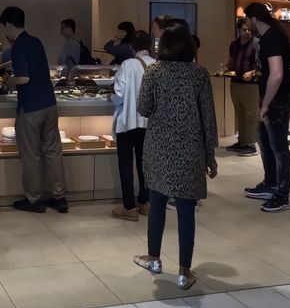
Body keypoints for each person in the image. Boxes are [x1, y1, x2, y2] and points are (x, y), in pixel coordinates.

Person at [132, 25, 218, 289]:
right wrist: (211, 155)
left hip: (158, 146)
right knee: (186, 209)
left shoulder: (154, 72)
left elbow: (143, 108)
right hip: (191, 149)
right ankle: (184, 272)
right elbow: (208, 118)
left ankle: (154, 258)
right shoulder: (200, 74)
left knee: (157, 202)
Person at [0, 6, 67, 212]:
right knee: (53, 151)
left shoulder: (18, 46)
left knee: (31, 155)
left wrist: (8, 79)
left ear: (8, 25)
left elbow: (24, 78)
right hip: (49, 104)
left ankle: (34, 199)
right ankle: (59, 197)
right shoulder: (36, 41)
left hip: (31, 107)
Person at [242, 2, 290, 212]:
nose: (246, 25)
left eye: (247, 20)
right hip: (272, 97)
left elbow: (277, 74)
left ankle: (282, 194)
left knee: (278, 147)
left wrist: (265, 104)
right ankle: (271, 183)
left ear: (254, 19)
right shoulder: (268, 37)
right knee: (263, 139)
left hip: (278, 98)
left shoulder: (272, 38)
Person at [111, 29, 157, 220]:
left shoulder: (128, 64)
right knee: (145, 164)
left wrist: (111, 98)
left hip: (128, 121)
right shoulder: (157, 65)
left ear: (131, 47)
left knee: (126, 164)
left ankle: (129, 207)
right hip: (149, 124)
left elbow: (120, 95)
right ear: (149, 46)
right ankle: (144, 204)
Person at [227, 17, 260, 157]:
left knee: (250, 114)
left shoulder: (256, 43)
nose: (247, 32)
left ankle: (250, 144)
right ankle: (242, 141)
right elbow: (231, 61)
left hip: (251, 84)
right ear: (238, 30)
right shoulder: (234, 44)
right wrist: (224, 69)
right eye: (244, 30)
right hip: (235, 81)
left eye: (249, 30)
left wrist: (252, 73)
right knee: (239, 113)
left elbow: (262, 64)